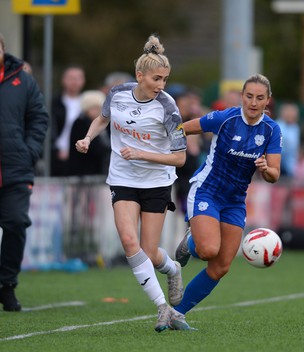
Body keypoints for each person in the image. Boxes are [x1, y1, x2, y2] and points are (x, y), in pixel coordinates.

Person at [75, 34, 187, 332]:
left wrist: (142, 153)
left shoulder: (168, 107)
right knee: (129, 242)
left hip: (156, 183)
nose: (160, 85)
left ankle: (173, 268)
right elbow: (103, 119)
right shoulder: (118, 93)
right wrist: (88, 137)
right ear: (140, 76)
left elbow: (180, 158)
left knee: (150, 253)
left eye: (164, 79)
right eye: (156, 78)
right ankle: (163, 307)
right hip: (123, 178)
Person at [171, 73, 282, 330]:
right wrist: (169, 144)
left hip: (234, 200)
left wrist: (266, 168)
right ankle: (191, 242)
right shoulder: (226, 118)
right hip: (207, 190)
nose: (254, 102)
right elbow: (184, 127)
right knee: (209, 250)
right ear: (242, 96)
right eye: (249, 96)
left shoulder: (271, 130)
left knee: (221, 266)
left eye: (260, 98)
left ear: (268, 100)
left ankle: (176, 313)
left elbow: (274, 174)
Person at [0, 33, 49, 311]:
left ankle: (7, 285)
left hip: (15, 168)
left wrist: (28, 151)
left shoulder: (23, 80)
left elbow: (39, 117)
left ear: (3, 49)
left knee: (16, 223)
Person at [51, 65, 86, 176]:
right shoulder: (53, 103)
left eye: (78, 78)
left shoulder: (88, 104)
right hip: (58, 156)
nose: (74, 82)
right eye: (71, 78)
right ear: (63, 80)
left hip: (81, 157)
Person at [68, 90, 110, 176]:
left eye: (99, 107)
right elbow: (94, 148)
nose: (97, 111)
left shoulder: (106, 124)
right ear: (86, 109)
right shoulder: (80, 123)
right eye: (94, 108)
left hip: (101, 170)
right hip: (84, 172)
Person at [276, 102, 300, 177]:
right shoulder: (277, 126)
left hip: (292, 165)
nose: (291, 114)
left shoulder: (296, 128)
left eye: (293, 113)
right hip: (279, 163)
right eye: (289, 112)